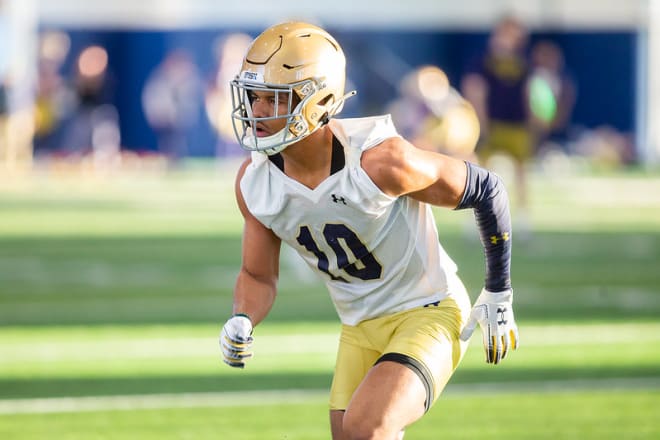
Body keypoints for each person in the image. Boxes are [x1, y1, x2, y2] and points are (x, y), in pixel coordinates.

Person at [219, 22, 519, 440]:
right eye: (254, 97)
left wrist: (498, 290)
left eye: (274, 99)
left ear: (318, 101)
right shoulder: (253, 183)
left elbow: (488, 189)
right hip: (358, 326)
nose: (257, 111)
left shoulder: (380, 162)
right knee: (352, 435)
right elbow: (258, 276)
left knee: (367, 426)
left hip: (427, 309)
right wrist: (243, 318)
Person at [461, 15, 533, 231]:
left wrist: (532, 120)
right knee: (480, 172)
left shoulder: (522, 62)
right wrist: (480, 123)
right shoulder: (483, 61)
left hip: (516, 124)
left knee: (521, 171)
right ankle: (474, 221)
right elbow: (474, 89)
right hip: (492, 123)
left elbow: (529, 94)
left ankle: (523, 220)